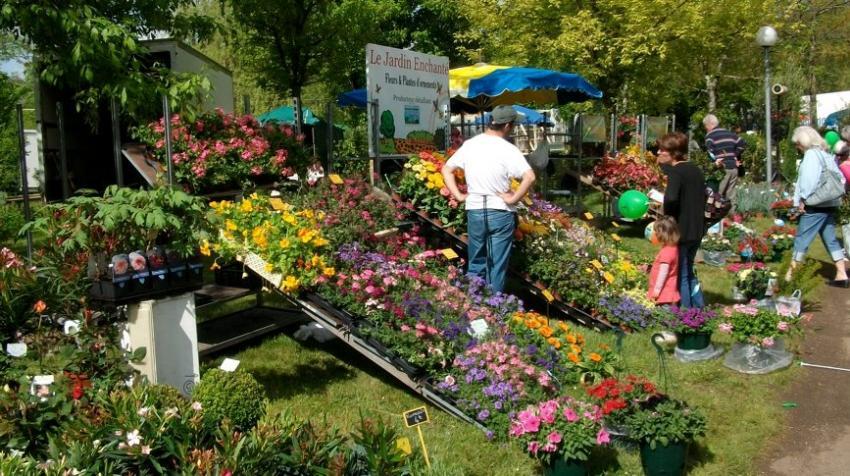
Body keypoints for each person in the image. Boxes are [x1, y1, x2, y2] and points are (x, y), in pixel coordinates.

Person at [442, 105, 536, 292]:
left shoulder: (470, 145)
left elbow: (446, 169)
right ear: (508, 125)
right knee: (496, 265)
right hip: (500, 211)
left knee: (476, 261)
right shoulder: (508, 149)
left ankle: (474, 307)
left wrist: (459, 195)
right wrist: (513, 199)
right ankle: (494, 308)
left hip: (475, 209)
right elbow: (530, 177)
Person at [788, 126, 848, 287]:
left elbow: (808, 182)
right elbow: (840, 178)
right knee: (831, 239)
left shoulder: (811, 156)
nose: (797, 147)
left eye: (797, 144)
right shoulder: (825, 154)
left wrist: (802, 201)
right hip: (830, 203)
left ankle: (790, 276)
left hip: (815, 205)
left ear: (802, 142)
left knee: (802, 240)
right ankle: (842, 274)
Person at [658, 131, 705, 308]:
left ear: (673, 152)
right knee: (689, 270)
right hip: (697, 229)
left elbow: (671, 198)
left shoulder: (677, 172)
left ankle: (685, 314)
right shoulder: (695, 169)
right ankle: (698, 308)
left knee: (681, 275)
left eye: (662, 150)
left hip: (682, 231)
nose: (658, 153)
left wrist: (667, 218)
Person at [703, 114, 746, 212]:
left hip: (721, 168)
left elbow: (710, 152)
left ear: (709, 124)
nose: (706, 128)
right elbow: (742, 143)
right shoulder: (730, 133)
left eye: (705, 126)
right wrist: (734, 154)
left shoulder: (709, 136)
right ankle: (732, 218)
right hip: (734, 167)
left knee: (717, 195)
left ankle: (716, 219)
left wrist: (714, 162)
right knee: (731, 194)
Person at [647, 216, 680, 305]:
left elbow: (663, 273)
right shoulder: (673, 247)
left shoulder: (667, 252)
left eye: (656, 232)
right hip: (669, 289)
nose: (655, 234)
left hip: (663, 293)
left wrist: (656, 291)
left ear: (662, 234)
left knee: (662, 314)